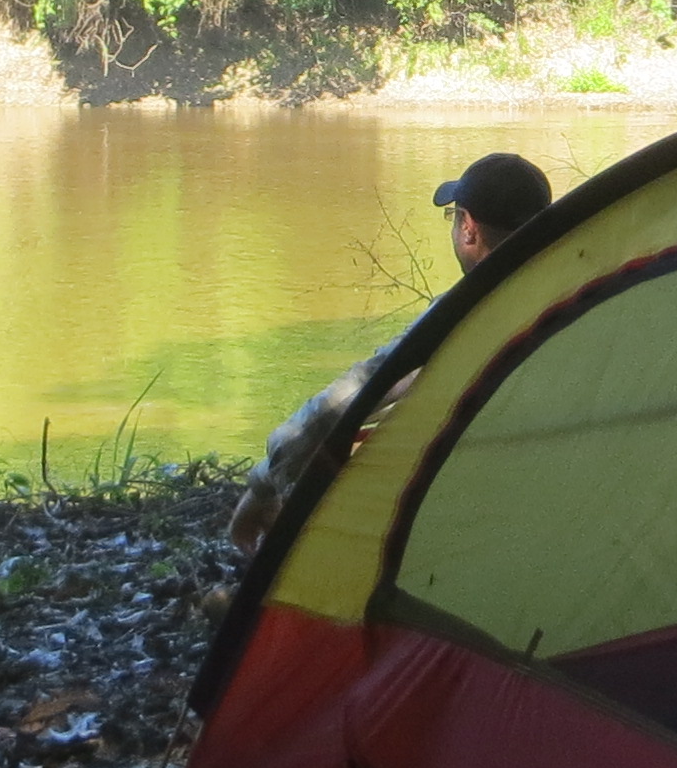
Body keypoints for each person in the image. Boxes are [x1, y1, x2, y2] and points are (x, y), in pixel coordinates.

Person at [226, 152, 553, 557]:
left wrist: (263, 485)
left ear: (469, 227)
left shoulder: (462, 316)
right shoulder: (570, 297)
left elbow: (353, 397)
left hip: (472, 509)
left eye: (453, 216)